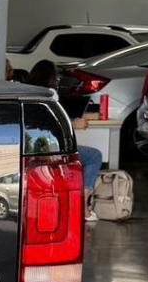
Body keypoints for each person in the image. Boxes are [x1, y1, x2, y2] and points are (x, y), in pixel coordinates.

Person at [27, 60, 101, 223]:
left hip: (31, 147)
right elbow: (54, 124)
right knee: (94, 156)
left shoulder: (27, 92)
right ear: (52, 78)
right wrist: (74, 123)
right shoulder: (51, 94)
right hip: (51, 148)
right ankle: (83, 206)